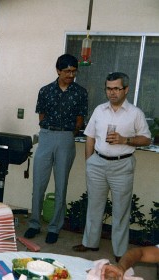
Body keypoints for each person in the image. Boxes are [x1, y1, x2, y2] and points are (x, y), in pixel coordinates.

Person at [72, 72, 151, 261]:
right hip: (97, 163)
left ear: (126, 89)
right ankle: (90, 242)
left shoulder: (135, 113)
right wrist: (89, 161)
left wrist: (126, 140)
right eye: (109, 88)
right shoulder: (99, 110)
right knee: (94, 206)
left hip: (122, 165)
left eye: (116, 88)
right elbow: (90, 136)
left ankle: (120, 252)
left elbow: (146, 139)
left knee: (121, 210)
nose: (112, 92)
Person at [24, 54, 88, 244]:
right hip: (46, 136)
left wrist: (69, 132)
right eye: (67, 71)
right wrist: (48, 128)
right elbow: (41, 116)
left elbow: (80, 119)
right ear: (58, 70)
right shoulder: (45, 91)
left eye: (74, 71)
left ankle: (54, 227)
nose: (71, 74)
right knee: (38, 184)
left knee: (61, 185)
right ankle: (34, 224)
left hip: (66, 138)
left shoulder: (80, 92)